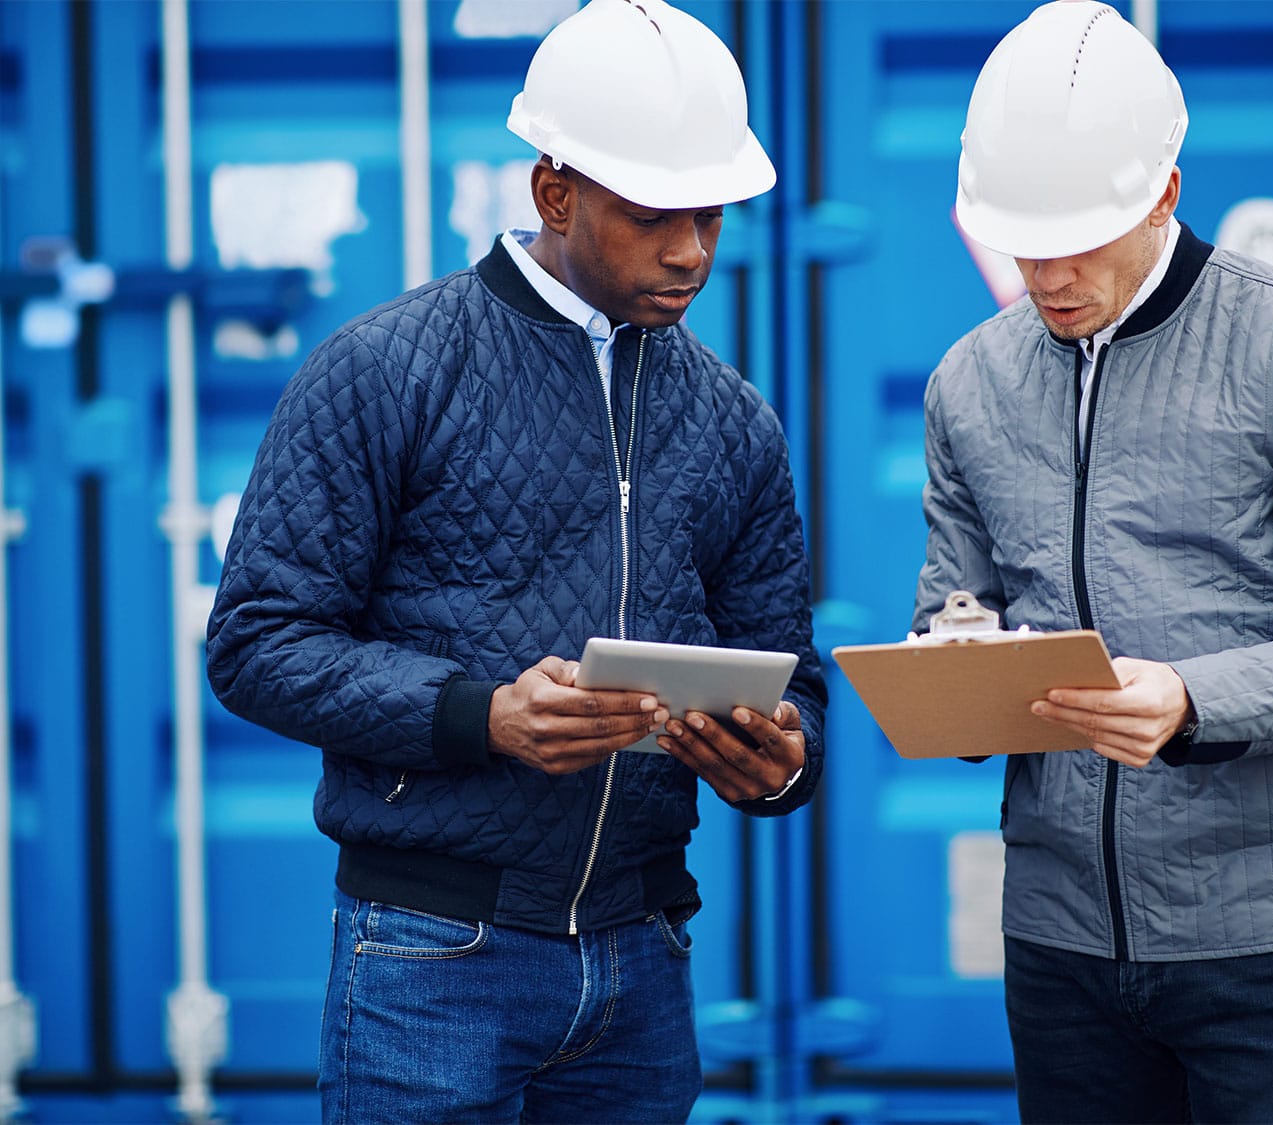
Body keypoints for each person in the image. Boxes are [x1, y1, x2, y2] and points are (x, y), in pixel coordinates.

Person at [205, 2, 825, 1121]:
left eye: (712, 214)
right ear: (555, 193)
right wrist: (480, 715)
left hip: (643, 967)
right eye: (652, 215)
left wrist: (778, 762)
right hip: (429, 963)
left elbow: (791, 676)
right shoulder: (384, 371)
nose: (691, 249)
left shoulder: (737, 421)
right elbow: (257, 642)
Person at [916, 3, 1273, 1122]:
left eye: (1077, 237)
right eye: (1024, 239)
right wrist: (952, 664)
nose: (1049, 273)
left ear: (1162, 192)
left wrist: (1192, 699)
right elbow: (954, 607)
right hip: (1059, 948)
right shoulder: (969, 382)